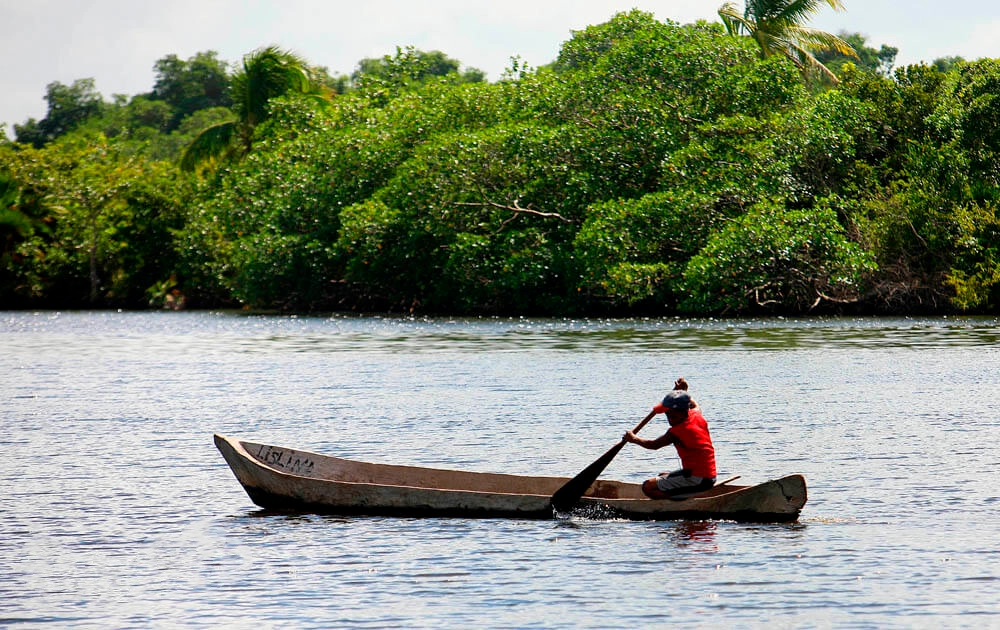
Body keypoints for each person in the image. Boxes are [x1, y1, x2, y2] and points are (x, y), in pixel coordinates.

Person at [623, 378, 717, 498]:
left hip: (698, 479)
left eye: (674, 415)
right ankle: (679, 494)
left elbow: (654, 445)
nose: (670, 419)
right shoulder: (696, 414)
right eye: (668, 415)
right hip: (709, 476)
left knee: (647, 487)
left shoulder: (677, 431)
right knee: (662, 475)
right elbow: (694, 404)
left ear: (684, 412)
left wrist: (633, 439)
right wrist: (683, 391)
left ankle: (672, 503)